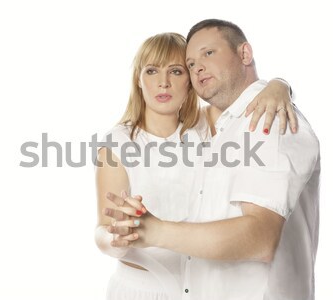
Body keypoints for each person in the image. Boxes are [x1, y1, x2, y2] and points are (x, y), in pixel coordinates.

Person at [104, 19, 320, 300]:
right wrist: (281, 84)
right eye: (191, 64)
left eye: (208, 53)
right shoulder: (222, 127)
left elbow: (262, 237)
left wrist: (155, 231)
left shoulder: (269, 119)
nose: (198, 68)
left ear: (245, 54)